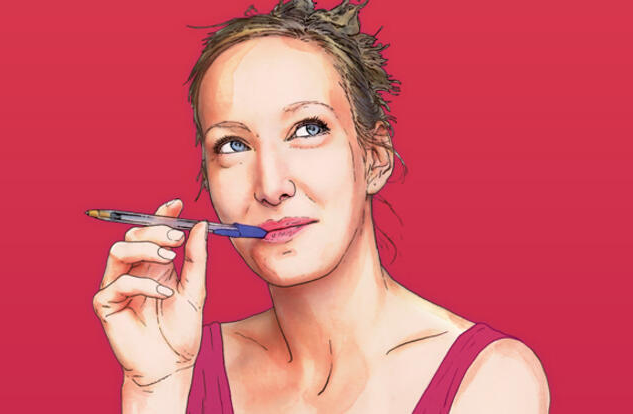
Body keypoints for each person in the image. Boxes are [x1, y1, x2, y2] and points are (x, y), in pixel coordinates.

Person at [93, 1, 550, 412]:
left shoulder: (490, 377)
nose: (271, 187)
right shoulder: (179, 363)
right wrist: (156, 390)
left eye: (308, 129)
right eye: (233, 145)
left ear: (375, 158)